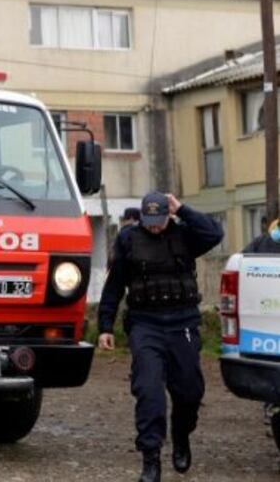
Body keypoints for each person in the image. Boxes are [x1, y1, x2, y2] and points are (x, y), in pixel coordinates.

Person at [98, 192, 223, 482]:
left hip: (183, 323)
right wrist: (105, 326)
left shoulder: (186, 235)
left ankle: (181, 435)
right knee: (149, 390)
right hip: (146, 324)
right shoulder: (128, 239)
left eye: (159, 219)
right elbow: (114, 285)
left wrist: (184, 209)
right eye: (149, 220)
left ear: (169, 214)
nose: (154, 226)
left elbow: (215, 234)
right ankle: (150, 459)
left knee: (190, 392)